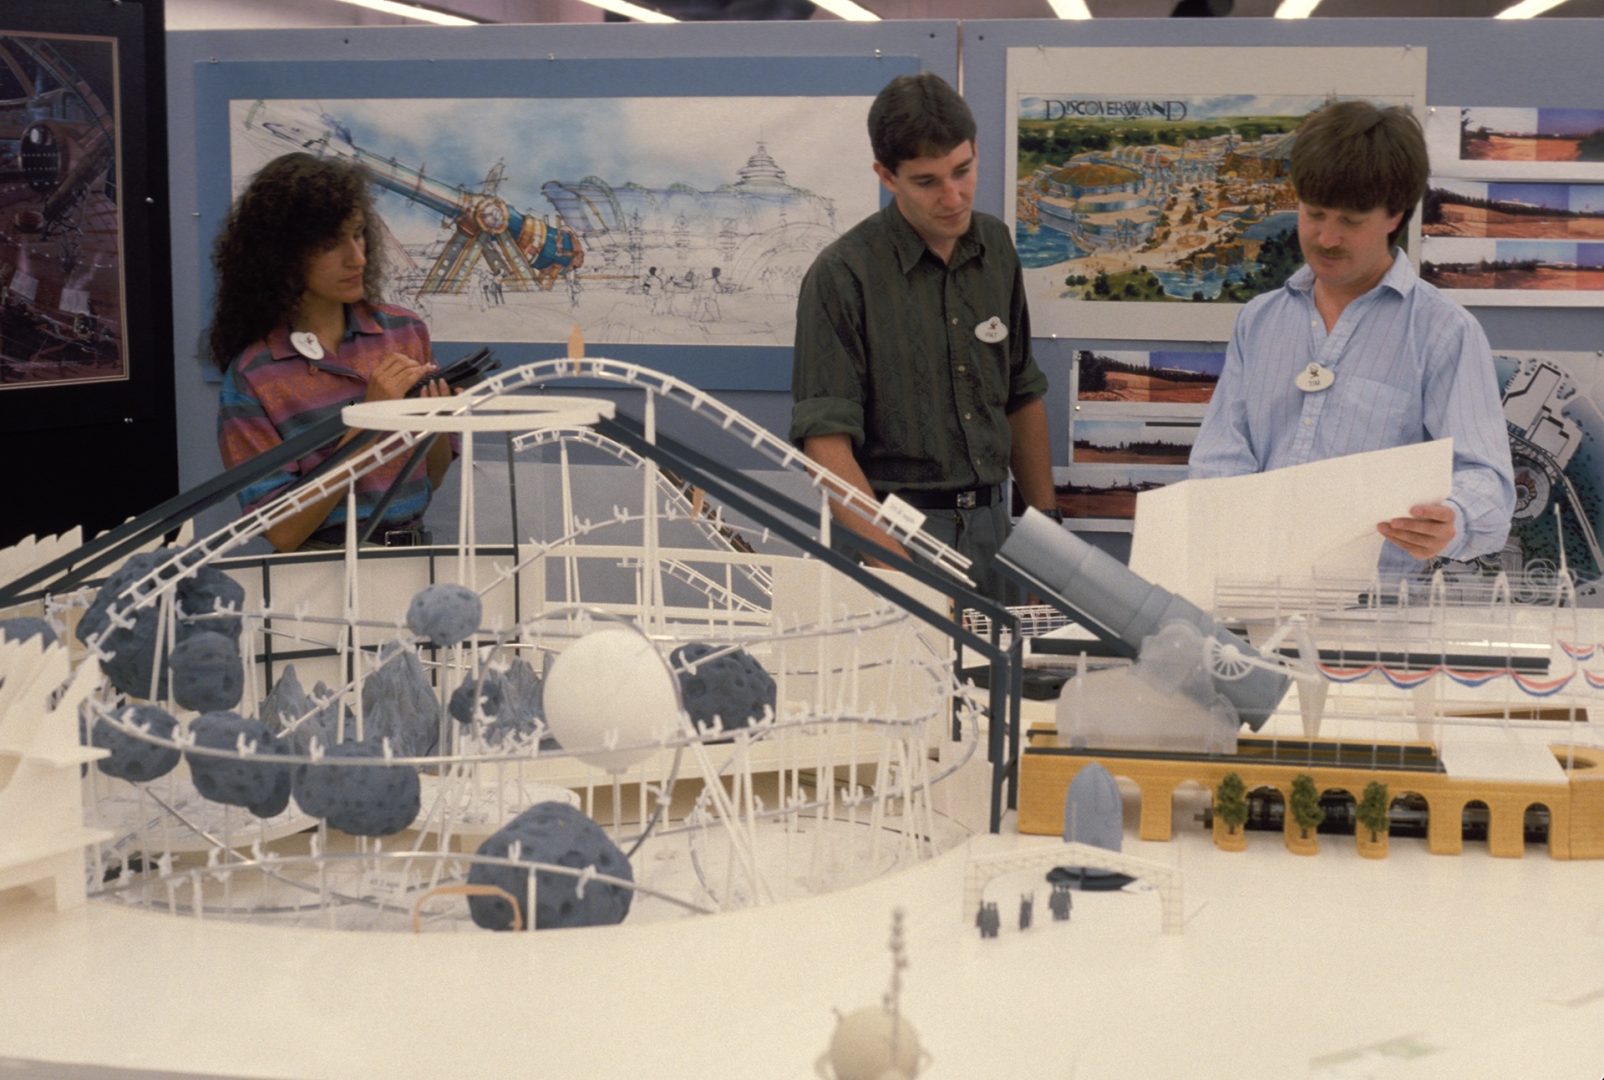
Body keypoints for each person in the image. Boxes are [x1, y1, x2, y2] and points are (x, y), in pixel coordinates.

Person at [1189, 101, 1514, 580]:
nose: (1326, 238)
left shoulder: (1444, 332)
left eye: (1351, 221)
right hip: (1253, 597)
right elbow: (1220, 456)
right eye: (1313, 213)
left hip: (1380, 619)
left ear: (1394, 216)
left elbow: (1487, 481)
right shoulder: (1258, 322)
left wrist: (1455, 517)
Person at [789, 72, 1056, 602]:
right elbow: (825, 445)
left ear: (976, 149)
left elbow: (1021, 394)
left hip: (992, 531)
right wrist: (900, 574)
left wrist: (1046, 536)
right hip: (890, 535)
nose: (953, 197)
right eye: (927, 181)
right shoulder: (842, 275)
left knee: (1010, 684)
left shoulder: (996, 247)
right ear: (886, 176)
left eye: (963, 170)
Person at [210, 152, 457, 552]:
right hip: (321, 575)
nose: (357, 258)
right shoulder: (253, 377)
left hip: (413, 555)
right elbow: (283, 532)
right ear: (282, 255)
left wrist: (438, 424)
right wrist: (368, 425)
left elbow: (432, 478)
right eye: (331, 244)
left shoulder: (405, 332)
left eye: (359, 234)